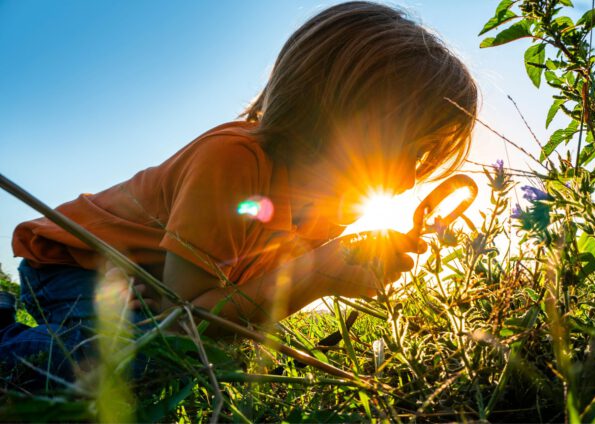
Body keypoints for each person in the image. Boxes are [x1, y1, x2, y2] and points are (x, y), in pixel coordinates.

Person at [1, 1, 477, 384]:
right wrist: (317, 275)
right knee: (141, 363)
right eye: (410, 150)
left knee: (197, 362)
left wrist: (333, 273)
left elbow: (246, 305)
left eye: (425, 159)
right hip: (76, 261)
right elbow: (188, 322)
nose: (414, 178)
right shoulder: (233, 162)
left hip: (163, 283)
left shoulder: (332, 209)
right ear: (342, 116)